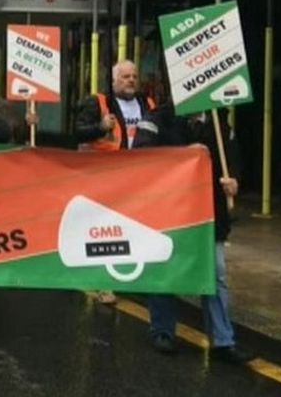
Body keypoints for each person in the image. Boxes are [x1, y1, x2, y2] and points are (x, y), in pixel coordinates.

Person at [147, 109, 254, 364]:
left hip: (210, 214)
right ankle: (163, 332)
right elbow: (142, 153)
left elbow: (234, 159)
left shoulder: (221, 123)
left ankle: (223, 341)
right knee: (165, 271)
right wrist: (183, 154)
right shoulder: (158, 119)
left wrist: (235, 181)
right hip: (169, 211)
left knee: (215, 275)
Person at [74, 59, 156, 304]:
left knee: (135, 228)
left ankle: (135, 277)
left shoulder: (147, 103)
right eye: (125, 77)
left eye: (134, 76)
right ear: (113, 81)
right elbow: (78, 131)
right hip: (105, 178)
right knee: (106, 232)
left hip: (138, 177)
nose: (131, 80)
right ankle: (104, 283)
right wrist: (100, 127)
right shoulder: (98, 102)